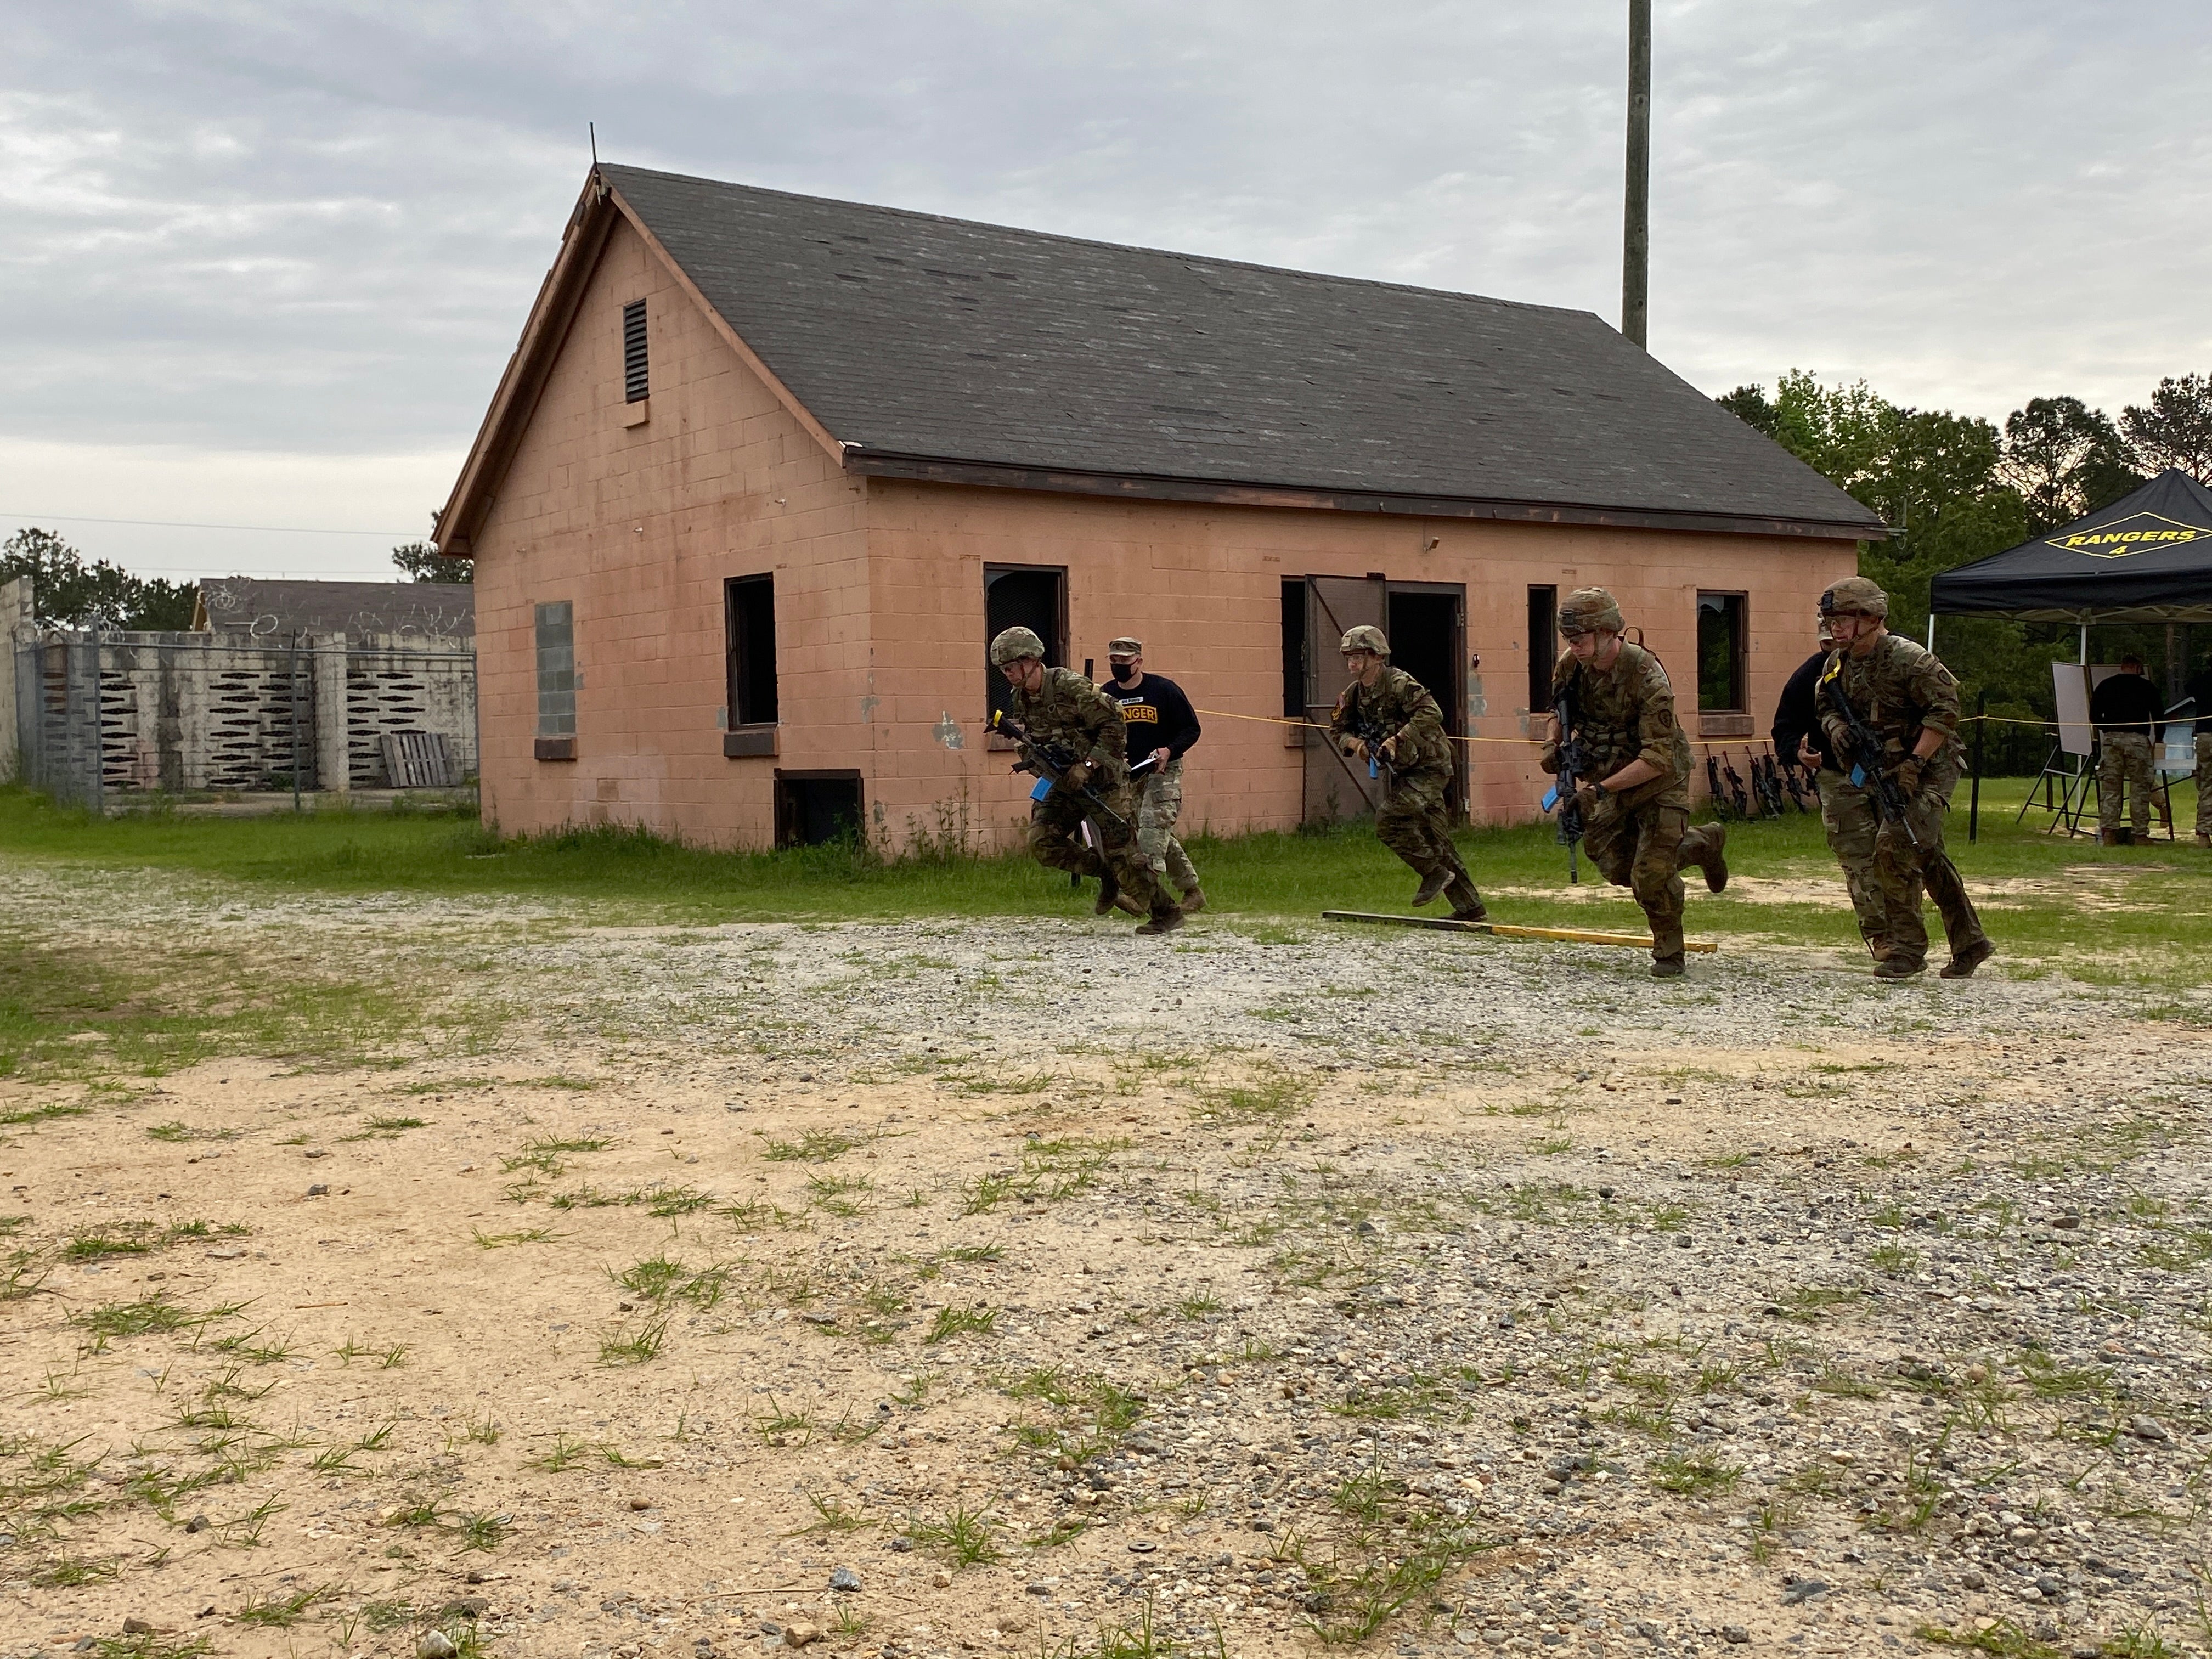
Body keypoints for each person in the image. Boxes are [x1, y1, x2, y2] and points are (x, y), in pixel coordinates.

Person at [1541, 588, 1728, 978]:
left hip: (1659, 781)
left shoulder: (1646, 676)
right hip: (1608, 776)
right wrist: (1552, 743)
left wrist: (1598, 791)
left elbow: (1656, 758)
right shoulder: (1570, 666)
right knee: (1614, 864)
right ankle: (1701, 844)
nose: (1574, 647)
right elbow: (1557, 708)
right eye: (1570, 640)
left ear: (1609, 632)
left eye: (1581, 639)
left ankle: (1669, 953)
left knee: (1651, 874)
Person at [1814, 577, 1994, 980]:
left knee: (1893, 847)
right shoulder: (1838, 663)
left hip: (1929, 768)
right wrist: (1835, 727)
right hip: (1882, 769)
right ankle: (1971, 941)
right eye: (1832, 619)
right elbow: (1825, 702)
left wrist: (1915, 764)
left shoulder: (1909, 659)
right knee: (1926, 854)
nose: (1836, 627)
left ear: (1871, 617)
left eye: (1844, 618)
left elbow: (1945, 712)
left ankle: (1907, 950)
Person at [988, 627, 1183, 936]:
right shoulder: (1020, 697)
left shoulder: (1070, 686)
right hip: (1065, 781)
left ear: (1030, 661)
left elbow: (1115, 725)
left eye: (1012, 667)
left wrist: (1088, 765)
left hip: (1104, 781)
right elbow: (1037, 735)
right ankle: (1104, 872)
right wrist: (1033, 758)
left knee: (1123, 850)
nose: (1008, 674)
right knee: (1042, 842)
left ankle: (1165, 911)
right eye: (1004, 669)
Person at [1328, 624, 1487, 921]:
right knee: (1436, 837)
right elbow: (1337, 729)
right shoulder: (1352, 695)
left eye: (1358, 656)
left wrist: (1399, 738)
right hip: (1406, 771)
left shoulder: (1399, 683)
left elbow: (1432, 713)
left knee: (1388, 820)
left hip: (1430, 767)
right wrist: (1357, 745)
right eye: (1349, 656)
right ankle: (1471, 908)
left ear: (1376, 657)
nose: (1352, 662)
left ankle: (1433, 873)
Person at [1776, 618, 1887, 957]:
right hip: (1839, 776)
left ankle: (1919, 933)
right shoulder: (1811, 674)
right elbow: (1785, 727)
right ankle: (1883, 936)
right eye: (1827, 644)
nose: (1834, 650)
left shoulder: (1901, 661)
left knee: (1903, 854)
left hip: (1894, 773)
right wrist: (1798, 751)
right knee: (1856, 858)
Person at [1102, 636, 1206, 913]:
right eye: (1114, 660)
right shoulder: (1106, 694)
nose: (1119, 665)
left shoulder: (1164, 691)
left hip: (1163, 770)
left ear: (1139, 662)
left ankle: (1142, 895)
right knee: (1153, 832)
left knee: (1152, 825)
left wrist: (1169, 750)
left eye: (1124, 660)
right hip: (1129, 775)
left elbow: (1191, 729)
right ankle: (1192, 891)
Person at [2090, 654, 2163, 847]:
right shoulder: (2147, 687)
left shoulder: (2106, 685)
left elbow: (2094, 716)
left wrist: (2109, 729)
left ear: (2122, 667)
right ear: (2138, 667)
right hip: (2137, 740)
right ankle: (2140, 834)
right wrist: (2160, 739)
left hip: (2112, 739)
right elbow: (2158, 716)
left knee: (2111, 788)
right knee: (2140, 787)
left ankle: (2109, 834)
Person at [2187, 655, 2212, 849]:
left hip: (2205, 736)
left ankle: (2204, 833)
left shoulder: (2200, 682)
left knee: (2207, 785)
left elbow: (2190, 688)